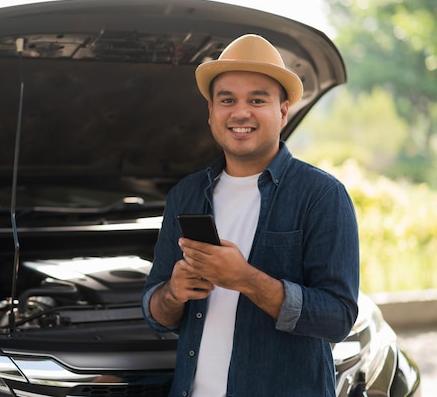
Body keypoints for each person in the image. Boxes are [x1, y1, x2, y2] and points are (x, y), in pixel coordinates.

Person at [141, 34, 360, 397]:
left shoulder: (322, 195)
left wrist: (245, 279)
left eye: (257, 99)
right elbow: (156, 310)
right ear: (211, 111)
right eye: (227, 100)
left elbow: (338, 317)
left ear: (283, 111)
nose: (240, 112)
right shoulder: (185, 195)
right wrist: (173, 294)